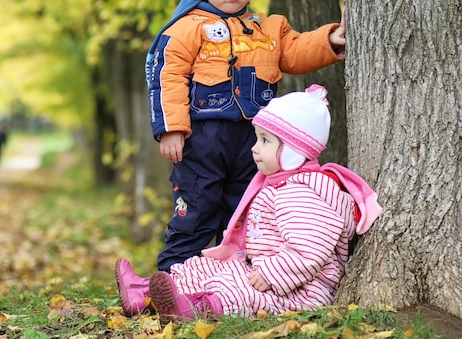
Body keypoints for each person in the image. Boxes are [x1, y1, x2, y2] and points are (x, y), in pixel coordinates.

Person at [146, 0, 347, 272]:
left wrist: (329, 41)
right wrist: (171, 129)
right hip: (202, 140)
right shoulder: (187, 27)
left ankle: (233, 281)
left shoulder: (268, 28)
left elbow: (297, 51)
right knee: (197, 207)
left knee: (247, 209)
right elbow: (168, 77)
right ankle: (171, 277)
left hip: (256, 141)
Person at [117, 85, 383, 320]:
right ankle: (144, 294)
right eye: (257, 138)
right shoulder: (281, 183)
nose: (254, 148)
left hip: (297, 288)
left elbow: (310, 250)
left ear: (292, 151)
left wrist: (271, 273)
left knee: (238, 291)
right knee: (204, 267)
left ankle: (195, 308)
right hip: (262, 269)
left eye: (265, 141)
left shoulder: (304, 192)